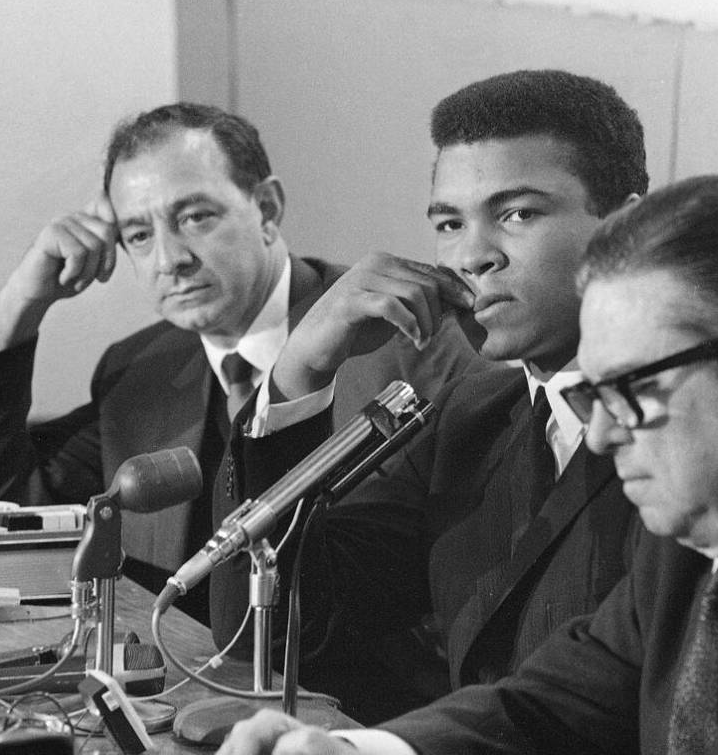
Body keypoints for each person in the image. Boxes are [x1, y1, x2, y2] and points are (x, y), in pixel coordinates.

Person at [220, 174, 718, 755]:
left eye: (630, 392)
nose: (599, 435)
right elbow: (549, 707)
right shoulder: (714, 500)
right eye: (590, 393)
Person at [0, 103, 483, 628]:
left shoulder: (411, 343)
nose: (170, 260)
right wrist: (18, 309)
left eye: (194, 218)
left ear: (266, 209)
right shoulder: (140, 368)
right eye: (139, 235)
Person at [223, 70, 647, 720]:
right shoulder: (469, 415)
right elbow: (303, 624)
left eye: (517, 214)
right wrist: (301, 371)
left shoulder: (686, 424)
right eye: (449, 224)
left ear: (627, 224)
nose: (473, 256)